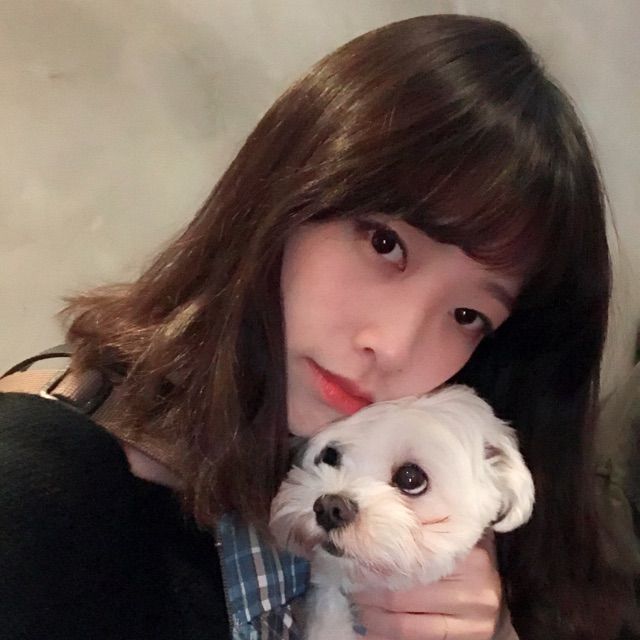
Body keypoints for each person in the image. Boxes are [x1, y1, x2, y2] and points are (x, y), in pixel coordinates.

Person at [0, 13, 633, 640]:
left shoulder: (421, 507)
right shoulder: (42, 495)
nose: (392, 346)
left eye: (468, 316)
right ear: (285, 193)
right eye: (385, 243)